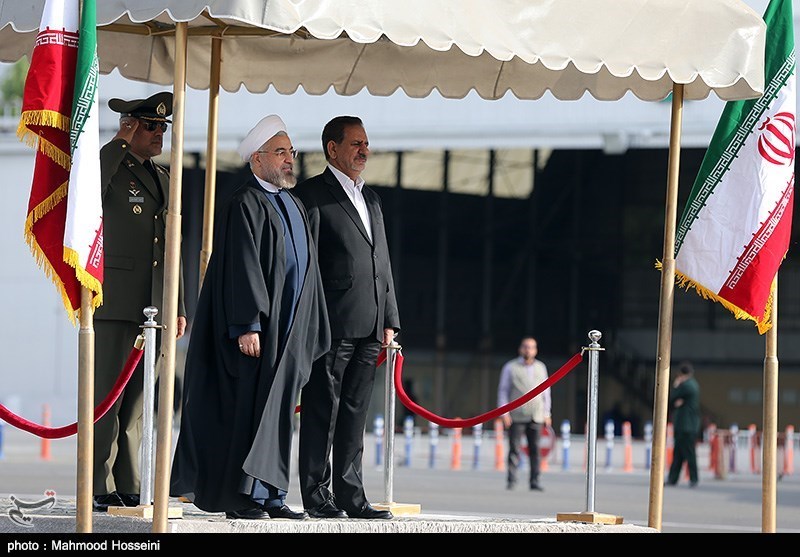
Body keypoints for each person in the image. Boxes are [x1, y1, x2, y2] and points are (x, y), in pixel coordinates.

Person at [170, 115, 330, 520]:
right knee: (248, 415)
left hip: (290, 333)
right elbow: (242, 269)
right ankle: (242, 499)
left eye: (291, 152)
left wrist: (314, 326)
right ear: (257, 158)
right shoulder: (245, 203)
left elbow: (309, 271)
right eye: (280, 152)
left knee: (278, 417)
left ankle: (273, 495)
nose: (289, 159)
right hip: (259, 333)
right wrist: (248, 325)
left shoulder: (293, 203)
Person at [294, 116, 400, 520]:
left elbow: (381, 260)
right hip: (332, 323)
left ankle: (352, 496)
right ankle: (316, 495)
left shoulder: (371, 199)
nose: (364, 150)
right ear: (332, 148)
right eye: (356, 143)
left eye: (366, 143)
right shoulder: (311, 196)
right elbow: (305, 264)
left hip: (371, 323)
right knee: (323, 410)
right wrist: (311, 319)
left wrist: (390, 317)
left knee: (355, 414)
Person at [93, 92, 187, 512]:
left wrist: (177, 304)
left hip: (152, 306)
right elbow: (89, 190)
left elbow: (171, 248)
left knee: (135, 403)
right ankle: (96, 483)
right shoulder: (110, 167)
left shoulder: (163, 178)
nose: (159, 134)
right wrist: (117, 143)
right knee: (105, 399)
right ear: (129, 126)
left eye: (162, 127)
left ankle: (129, 483)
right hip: (115, 302)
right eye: (150, 126)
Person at [497, 336, 551, 491]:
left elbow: (546, 392)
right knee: (514, 448)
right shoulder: (510, 367)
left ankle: (535, 480)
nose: (528, 350)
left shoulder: (541, 367)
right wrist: (504, 411)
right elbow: (503, 390)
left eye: (531, 347)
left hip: (536, 414)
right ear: (520, 349)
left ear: (535, 350)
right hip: (517, 414)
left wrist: (547, 412)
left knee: (535, 449)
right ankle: (512, 479)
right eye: (526, 347)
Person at [666, 361, 701, 487]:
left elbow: (671, 398)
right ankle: (673, 478)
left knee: (688, 453)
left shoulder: (686, 386)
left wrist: (676, 386)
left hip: (686, 426)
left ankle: (693, 478)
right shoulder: (692, 385)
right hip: (686, 425)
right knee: (679, 454)